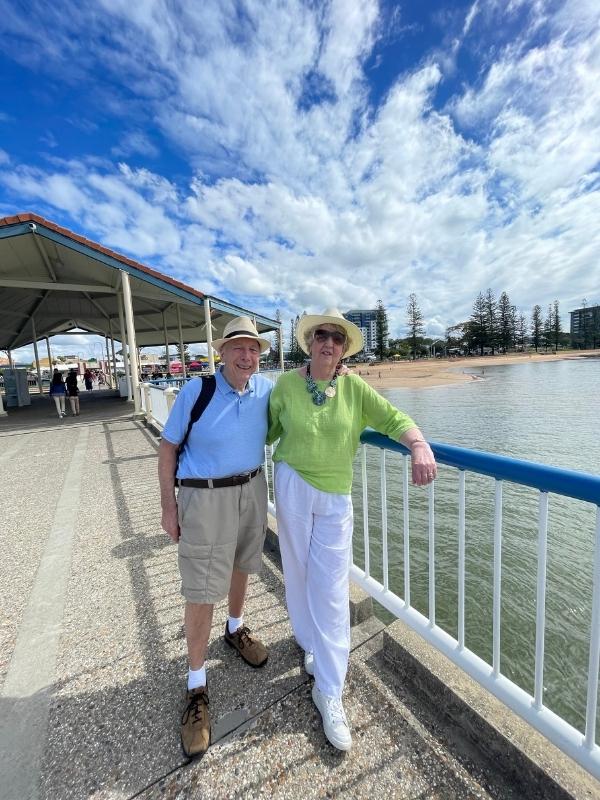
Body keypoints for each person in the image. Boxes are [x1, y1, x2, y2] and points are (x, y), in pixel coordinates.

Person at [268, 308, 437, 752]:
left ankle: (330, 688)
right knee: (298, 572)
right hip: (290, 484)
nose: (328, 342)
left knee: (329, 587)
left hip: (335, 495)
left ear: (344, 348)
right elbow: (261, 432)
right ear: (309, 343)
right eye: (321, 335)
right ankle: (308, 645)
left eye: (337, 338)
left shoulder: (355, 388)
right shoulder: (285, 385)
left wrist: (419, 445)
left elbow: (394, 420)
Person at [158, 316, 273, 759]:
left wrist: (334, 370)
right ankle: (196, 683)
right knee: (203, 587)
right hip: (204, 497)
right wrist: (169, 507)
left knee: (244, 564)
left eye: (254, 349)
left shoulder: (264, 389)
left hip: (252, 487)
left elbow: (304, 390)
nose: (247, 356)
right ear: (221, 353)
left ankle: (235, 628)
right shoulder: (196, 391)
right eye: (238, 348)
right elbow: (168, 447)